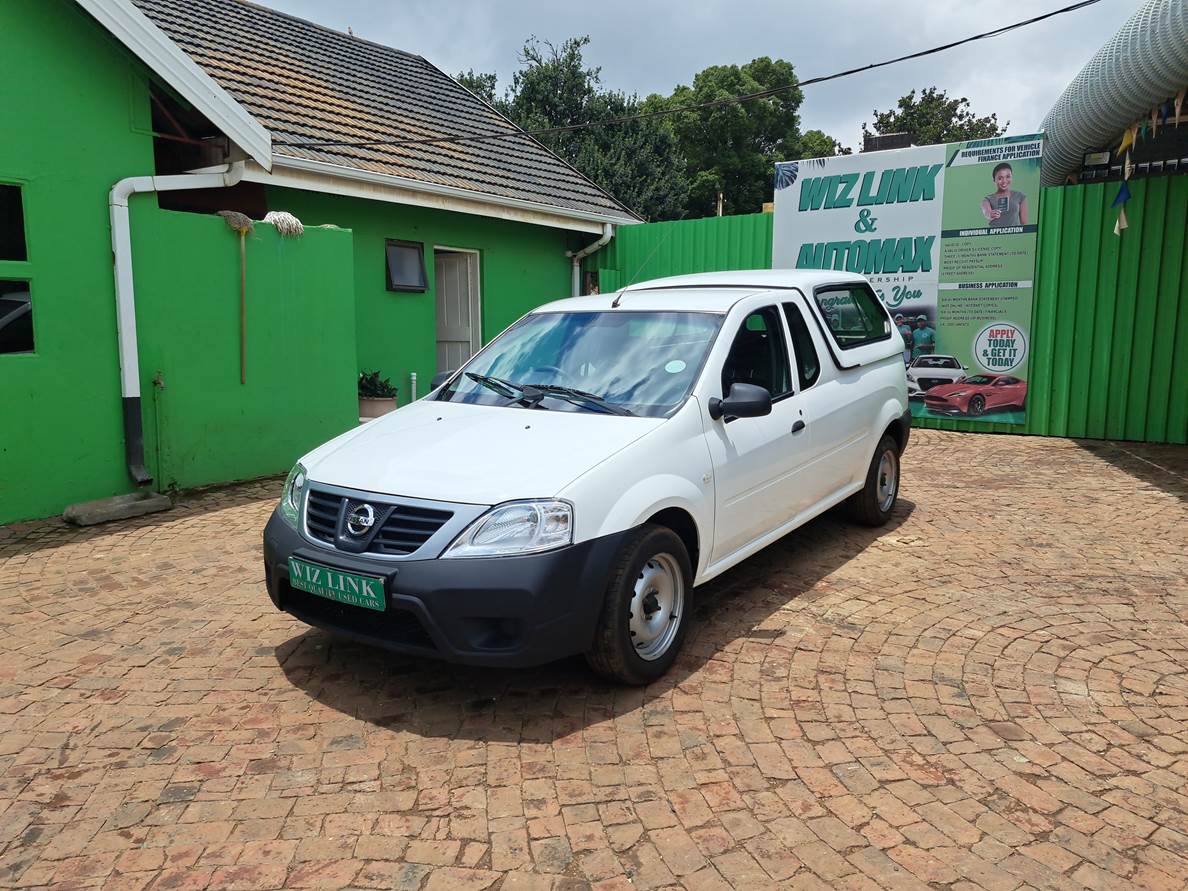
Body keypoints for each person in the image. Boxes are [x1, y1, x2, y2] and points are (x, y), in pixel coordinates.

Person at [981, 162, 1028, 228]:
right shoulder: (988, 199)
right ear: (994, 180)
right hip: (995, 233)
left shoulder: (1020, 196)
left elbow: (1024, 224)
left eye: (1008, 177)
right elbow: (986, 211)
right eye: (1000, 178)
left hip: (1015, 233)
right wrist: (990, 214)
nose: (1004, 181)